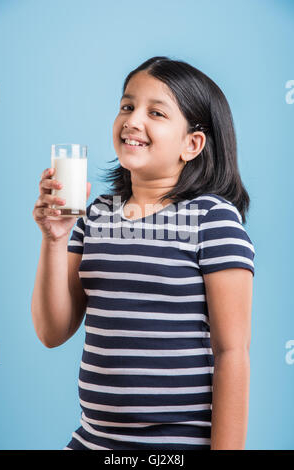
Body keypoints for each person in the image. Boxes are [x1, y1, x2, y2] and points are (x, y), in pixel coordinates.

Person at [31, 56, 255, 450]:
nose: (133, 121)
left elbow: (232, 353)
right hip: (93, 442)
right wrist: (54, 240)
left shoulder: (212, 219)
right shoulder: (95, 214)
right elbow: (52, 332)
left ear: (192, 144)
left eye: (156, 112)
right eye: (127, 106)